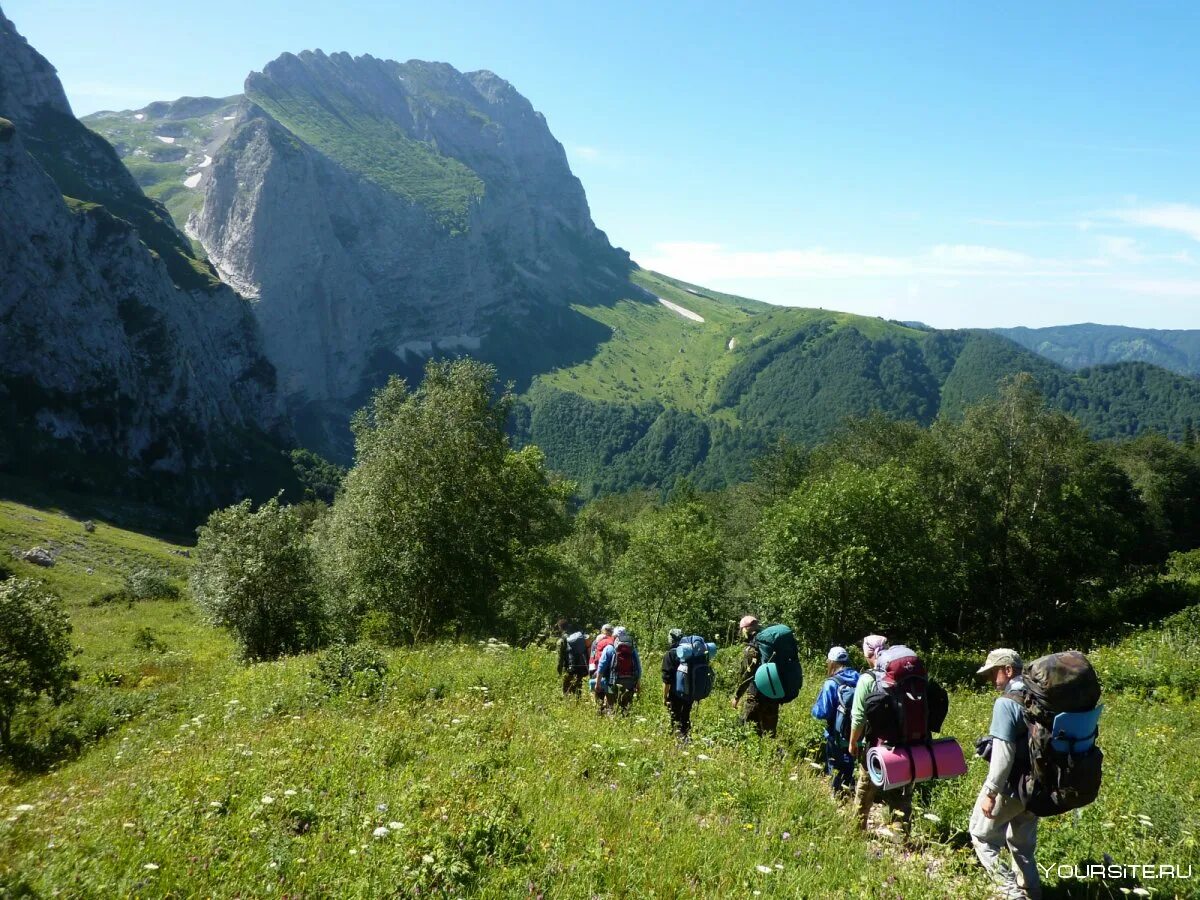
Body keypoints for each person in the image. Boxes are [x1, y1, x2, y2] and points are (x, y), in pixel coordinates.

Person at [970, 649, 1041, 900]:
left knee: (981, 835)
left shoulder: (1006, 702)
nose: (991, 680)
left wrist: (991, 792)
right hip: (1040, 783)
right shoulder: (1039, 696)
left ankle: (1011, 893)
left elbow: (1004, 756)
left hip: (1013, 784)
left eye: (993, 673)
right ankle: (1032, 891)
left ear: (1008, 670)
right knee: (1021, 845)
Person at [848, 634, 912, 836]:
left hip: (878, 746)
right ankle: (901, 837)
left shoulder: (868, 678)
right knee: (901, 793)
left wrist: (853, 743)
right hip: (908, 744)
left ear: (867, 652)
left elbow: (858, 717)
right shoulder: (907, 676)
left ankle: (857, 831)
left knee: (865, 789)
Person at [810, 646, 859, 797]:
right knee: (850, 757)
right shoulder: (859, 677)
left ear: (831, 662)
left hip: (836, 731)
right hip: (857, 729)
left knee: (835, 761)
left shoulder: (831, 683)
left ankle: (837, 793)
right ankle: (849, 786)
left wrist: (814, 710)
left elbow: (822, 712)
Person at [731, 615, 778, 737]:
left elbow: (747, 674)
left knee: (751, 730)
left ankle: (754, 754)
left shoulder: (752, 649)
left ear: (746, 629)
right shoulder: (770, 644)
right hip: (773, 691)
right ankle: (774, 753)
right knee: (770, 732)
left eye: (741, 629)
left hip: (756, 694)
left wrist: (737, 696)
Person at [596, 626, 641, 713]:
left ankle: (612, 722)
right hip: (630, 683)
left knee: (611, 706)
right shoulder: (632, 649)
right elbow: (638, 667)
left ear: (614, 636)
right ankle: (626, 723)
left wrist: (598, 683)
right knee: (626, 708)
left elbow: (601, 667)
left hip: (611, 683)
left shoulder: (609, 648)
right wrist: (638, 683)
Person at [661, 628, 692, 739]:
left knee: (675, 717)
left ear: (670, 639)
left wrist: (664, 697)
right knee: (686, 715)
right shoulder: (690, 653)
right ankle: (686, 736)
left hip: (675, 693)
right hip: (690, 692)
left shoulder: (670, 654)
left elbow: (666, 679)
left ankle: (677, 740)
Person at [554, 620, 588, 697]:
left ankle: (568, 706)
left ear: (560, 628)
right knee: (578, 690)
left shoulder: (562, 640)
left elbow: (560, 658)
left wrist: (559, 671)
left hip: (568, 669)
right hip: (579, 667)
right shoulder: (577, 637)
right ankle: (578, 705)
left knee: (567, 690)